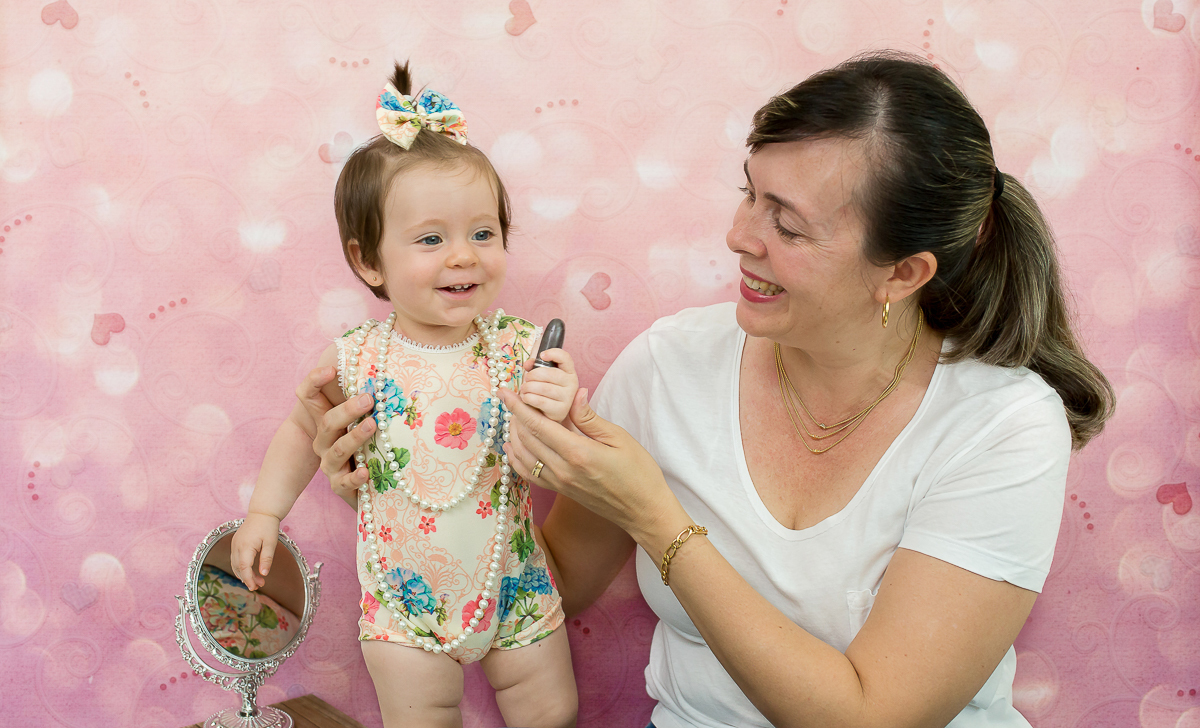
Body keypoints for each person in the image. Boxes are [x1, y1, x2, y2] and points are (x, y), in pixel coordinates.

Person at [305, 52, 1113, 728]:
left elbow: (873, 718)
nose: (740, 237)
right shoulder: (669, 367)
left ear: (902, 274)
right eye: (749, 194)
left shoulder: (1002, 425)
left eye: (787, 226)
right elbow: (541, 584)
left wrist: (656, 517)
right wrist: (409, 505)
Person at [230, 62, 579, 728]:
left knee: (553, 709)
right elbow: (303, 431)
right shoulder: (358, 357)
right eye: (430, 239)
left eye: (484, 233)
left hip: (514, 586)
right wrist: (264, 515)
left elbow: (560, 434)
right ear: (368, 262)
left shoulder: (516, 346)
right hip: (403, 598)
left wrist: (557, 399)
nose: (463, 256)